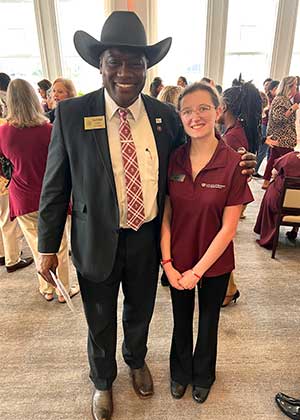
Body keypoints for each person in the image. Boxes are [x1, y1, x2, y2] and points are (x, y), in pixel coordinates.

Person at [36, 11, 256, 420]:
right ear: (100, 64)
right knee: (99, 318)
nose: (125, 72)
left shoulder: (164, 116)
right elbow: (54, 187)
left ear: (146, 67)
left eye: (135, 62)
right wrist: (47, 248)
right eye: (114, 61)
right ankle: (102, 380)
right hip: (95, 237)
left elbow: (193, 155)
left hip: (147, 236)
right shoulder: (70, 115)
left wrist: (236, 161)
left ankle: (136, 360)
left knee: (139, 309)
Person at [160, 82, 253, 404]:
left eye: (202, 108)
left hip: (213, 264)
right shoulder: (173, 160)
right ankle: (179, 371)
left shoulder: (233, 163)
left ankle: (204, 374)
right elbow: (166, 216)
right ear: (180, 117)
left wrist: (197, 272)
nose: (195, 116)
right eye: (187, 110)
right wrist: (168, 264)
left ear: (217, 111)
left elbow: (229, 228)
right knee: (180, 319)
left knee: (209, 320)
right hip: (177, 260)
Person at [0, 79, 78, 302]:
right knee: (59, 245)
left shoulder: (3, 133)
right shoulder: (50, 130)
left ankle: (46, 289)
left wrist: (10, 174)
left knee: (37, 247)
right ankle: (64, 290)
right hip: (51, 197)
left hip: (21, 196)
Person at [217, 81, 262, 306]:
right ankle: (228, 286)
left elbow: (227, 173)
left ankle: (227, 288)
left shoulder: (233, 137)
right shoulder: (237, 132)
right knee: (222, 240)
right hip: (235, 196)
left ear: (224, 107)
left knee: (221, 241)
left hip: (229, 198)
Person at [254, 151, 300, 249]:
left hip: (281, 205)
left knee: (272, 191)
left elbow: (274, 173)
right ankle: (294, 230)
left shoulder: (290, 157)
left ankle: (267, 232)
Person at [262, 76, 299, 189]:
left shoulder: (283, 99)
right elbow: (278, 118)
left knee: (274, 158)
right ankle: (284, 182)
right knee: (289, 160)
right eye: (294, 85)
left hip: (282, 136)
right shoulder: (281, 99)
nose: (296, 88)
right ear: (289, 87)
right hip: (282, 137)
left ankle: (268, 181)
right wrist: (292, 109)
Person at [254, 80, 280, 177]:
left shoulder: (275, 98)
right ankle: (254, 170)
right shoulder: (267, 98)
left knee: (267, 150)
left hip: (268, 125)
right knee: (263, 150)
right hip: (265, 125)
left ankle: (258, 170)